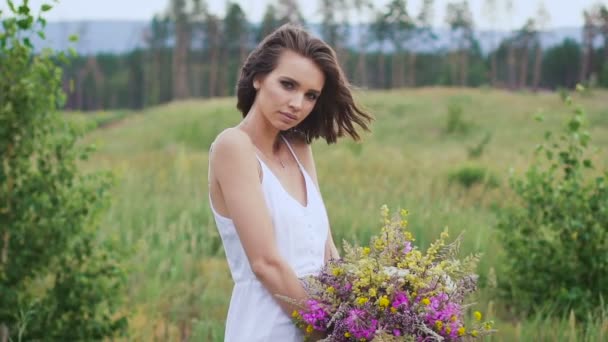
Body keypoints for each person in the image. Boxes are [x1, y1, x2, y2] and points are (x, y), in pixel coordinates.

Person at [207, 24, 372, 341]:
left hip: (314, 327)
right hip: (265, 329)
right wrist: (329, 329)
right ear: (258, 78)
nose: (298, 103)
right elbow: (265, 263)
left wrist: (360, 312)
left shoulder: (299, 148)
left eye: (310, 95)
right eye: (287, 85)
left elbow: (326, 250)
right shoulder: (233, 147)